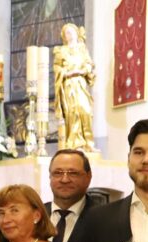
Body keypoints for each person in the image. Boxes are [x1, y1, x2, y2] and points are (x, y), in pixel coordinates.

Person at [53, 23, 96, 152]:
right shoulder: (61, 51)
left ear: (77, 33)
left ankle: (88, 143)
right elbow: (56, 67)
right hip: (69, 84)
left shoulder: (82, 49)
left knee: (85, 110)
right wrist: (64, 73)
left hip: (80, 83)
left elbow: (89, 64)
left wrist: (85, 70)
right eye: (66, 33)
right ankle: (75, 144)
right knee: (72, 112)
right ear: (64, 37)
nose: (69, 34)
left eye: (71, 31)